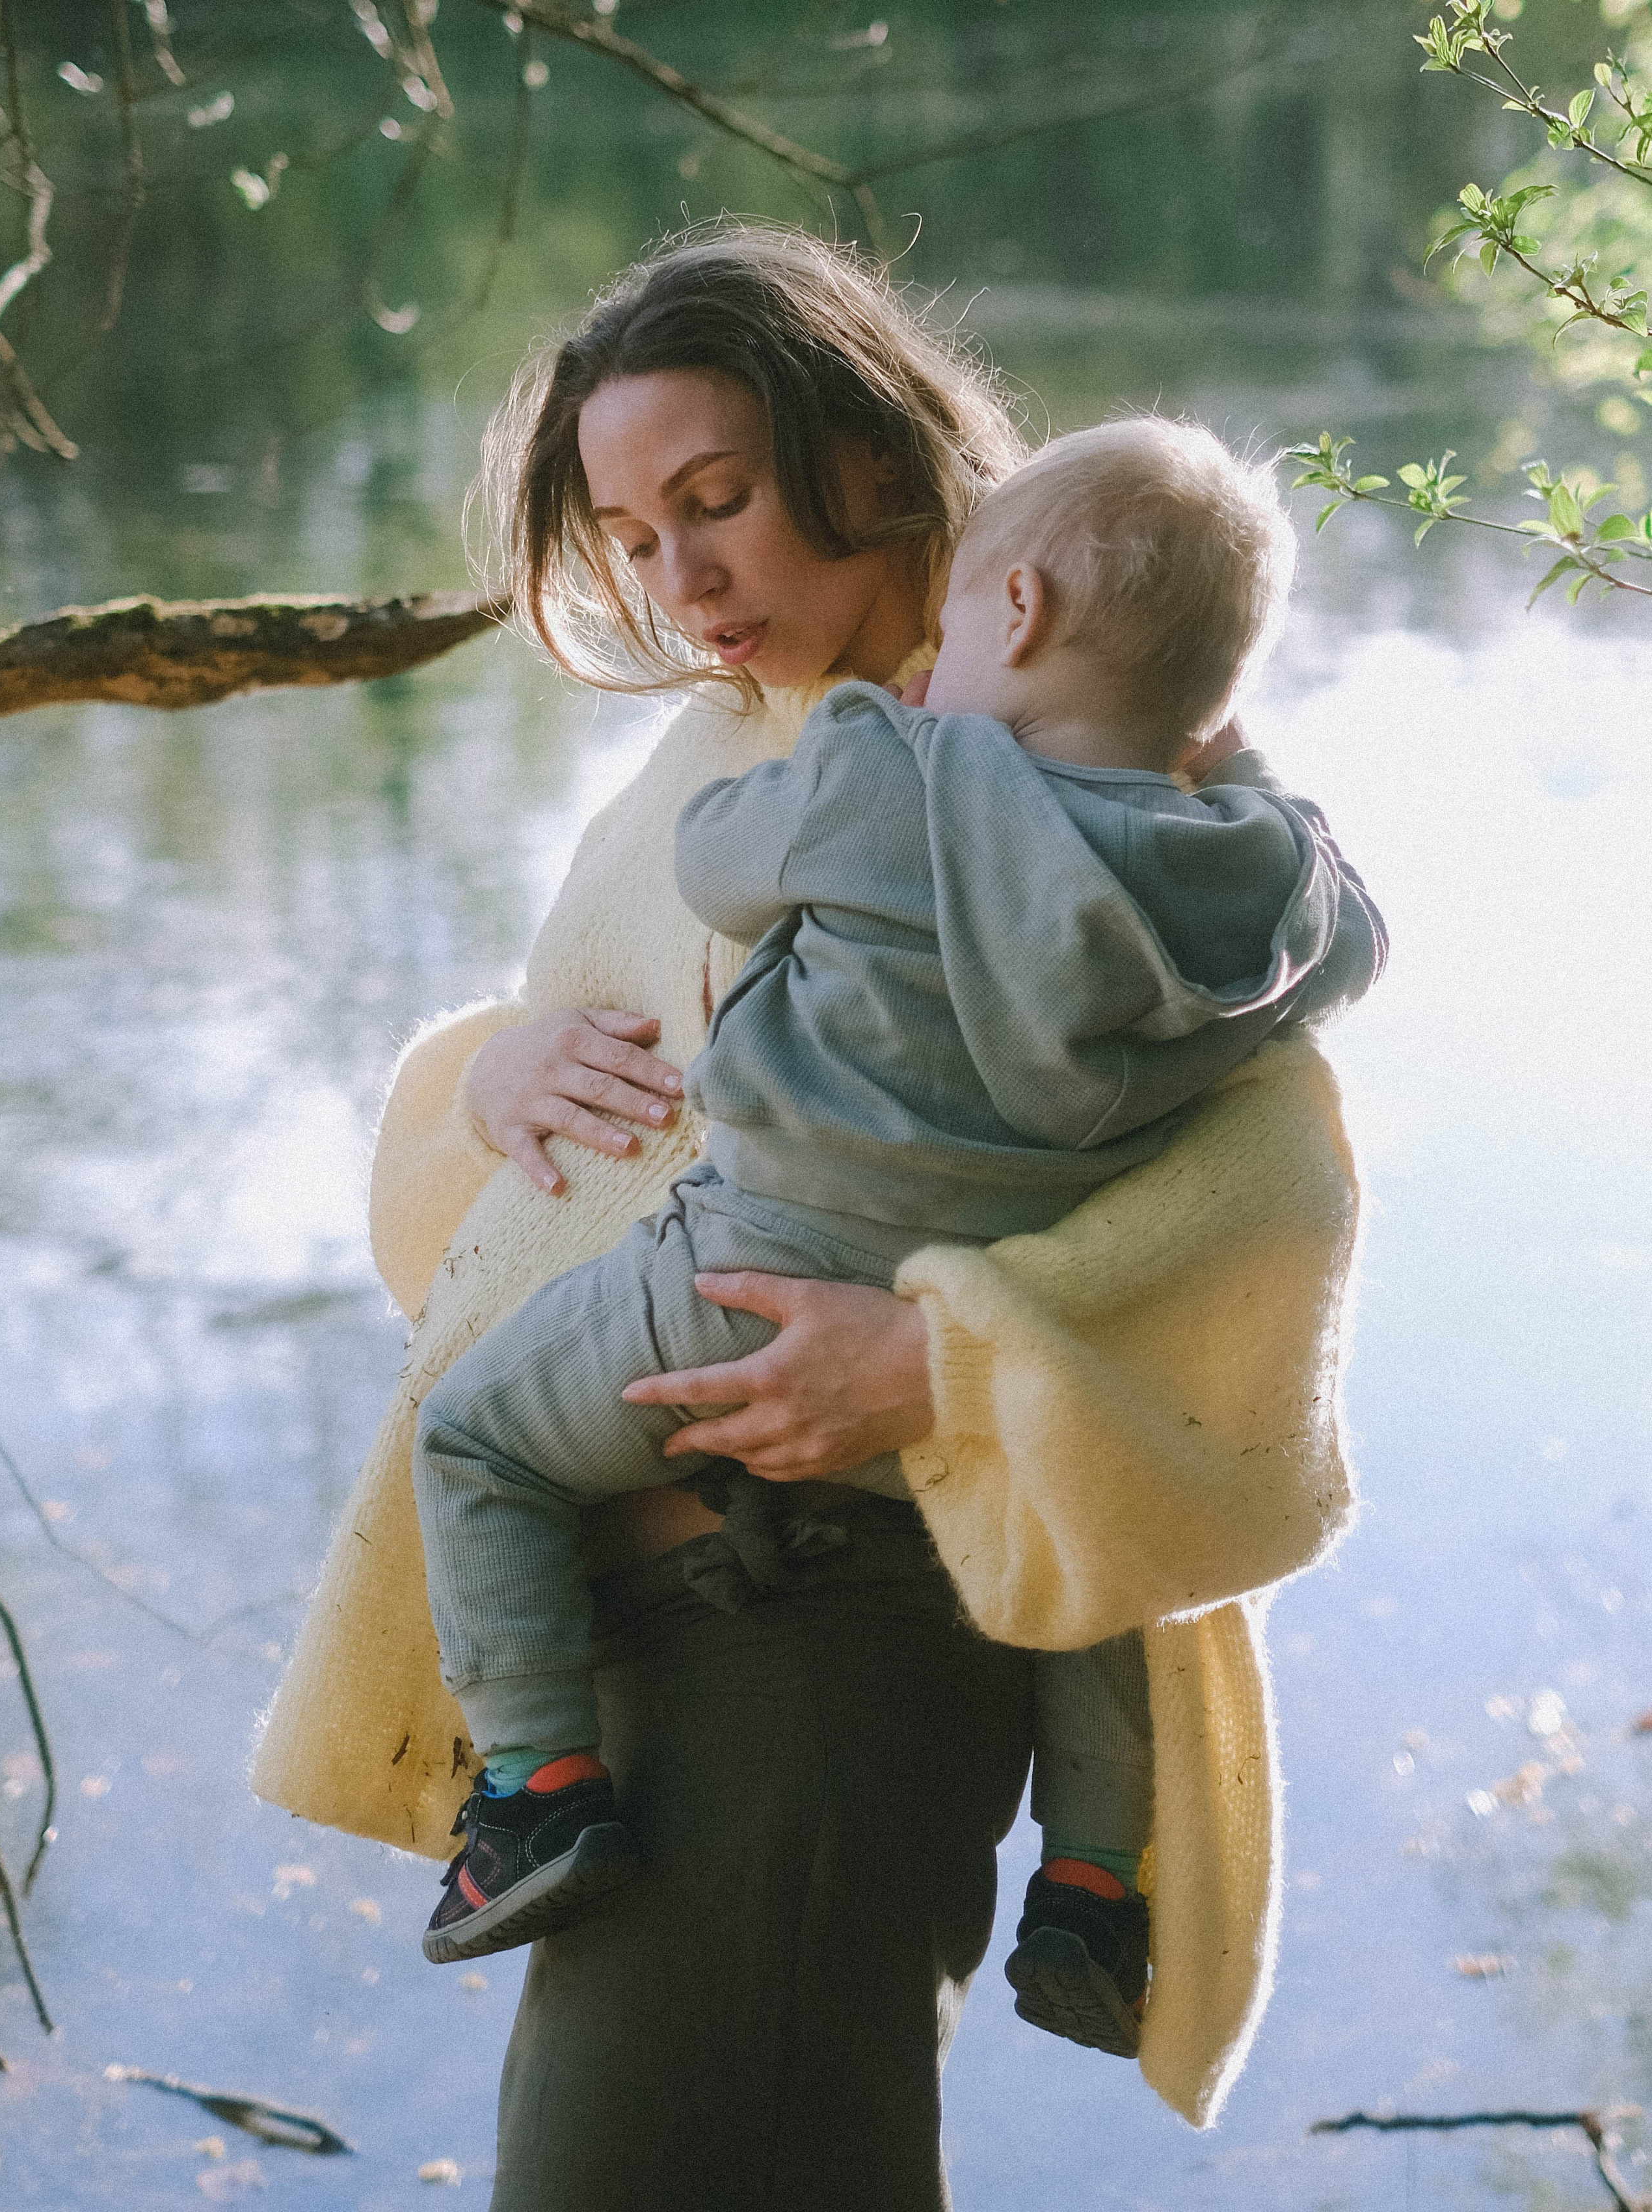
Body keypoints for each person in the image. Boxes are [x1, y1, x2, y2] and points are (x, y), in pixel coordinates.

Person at [250, 226, 1366, 2207]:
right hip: (629, 1665)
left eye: (720, 501)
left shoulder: (1129, 788)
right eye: (629, 530)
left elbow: (1271, 1214)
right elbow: (563, 1134)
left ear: (869, 458)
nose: (680, 578)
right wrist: (486, 1074)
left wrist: (939, 1362)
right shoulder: (733, 757)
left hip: (825, 1631)